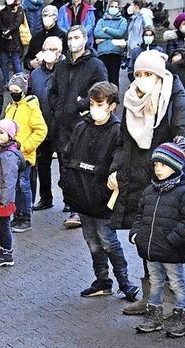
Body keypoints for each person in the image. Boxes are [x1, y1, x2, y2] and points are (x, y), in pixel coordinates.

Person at [109, 50, 185, 316]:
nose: (142, 79)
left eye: (148, 74)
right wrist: (115, 169)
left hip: (165, 179)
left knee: (166, 240)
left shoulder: (174, 96)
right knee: (146, 237)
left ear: (160, 74)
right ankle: (149, 296)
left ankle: (169, 298)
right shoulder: (131, 97)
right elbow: (123, 141)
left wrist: (169, 161)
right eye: (138, 74)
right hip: (137, 180)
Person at [59, 82, 140, 300]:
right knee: (92, 242)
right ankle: (102, 280)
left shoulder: (118, 131)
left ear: (112, 105)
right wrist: (68, 184)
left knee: (108, 241)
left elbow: (120, 163)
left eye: (100, 104)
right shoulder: (81, 127)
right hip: (81, 195)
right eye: (92, 103)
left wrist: (106, 190)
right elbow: (67, 156)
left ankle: (124, 282)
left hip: (101, 198)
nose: (94, 108)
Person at [130, 139, 185, 337]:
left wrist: (172, 239)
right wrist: (137, 234)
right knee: (155, 282)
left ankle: (181, 318)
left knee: (177, 284)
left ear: (175, 166)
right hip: (151, 250)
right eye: (156, 164)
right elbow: (140, 216)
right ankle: (154, 316)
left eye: (163, 164)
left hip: (171, 250)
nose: (158, 169)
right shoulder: (150, 190)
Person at [48, 25, 108, 228]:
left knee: (80, 167)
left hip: (83, 125)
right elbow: (53, 91)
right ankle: (71, 203)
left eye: (76, 37)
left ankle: (78, 210)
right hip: (62, 125)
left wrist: (81, 106)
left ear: (85, 39)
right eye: (70, 37)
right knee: (65, 168)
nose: (72, 41)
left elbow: (102, 91)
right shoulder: (62, 66)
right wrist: (57, 108)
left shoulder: (95, 65)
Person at [4, 73, 47, 232]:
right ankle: (17, 216)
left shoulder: (30, 107)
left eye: (16, 90)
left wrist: (24, 147)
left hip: (23, 156)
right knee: (15, 187)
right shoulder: (10, 106)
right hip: (10, 155)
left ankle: (25, 218)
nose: (13, 93)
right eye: (11, 90)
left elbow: (41, 130)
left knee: (23, 186)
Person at [29, 36, 63, 210]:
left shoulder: (65, 70)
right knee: (42, 166)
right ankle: (45, 198)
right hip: (41, 126)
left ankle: (69, 202)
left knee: (65, 165)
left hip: (62, 126)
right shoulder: (35, 74)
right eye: (47, 49)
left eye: (54, 49)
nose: (50, 53)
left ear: (60, 52)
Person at [0, 119, 25, 267]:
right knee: (1, 225)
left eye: (2, 133)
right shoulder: (1, 149)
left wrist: (5, 199)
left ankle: (7, 253)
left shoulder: (8, 155)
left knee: (3, 225)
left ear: (10, 135)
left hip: (2, 197)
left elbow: (9, 179)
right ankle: (2, 250)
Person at [94, 0, 127, 87]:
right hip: (102, 52)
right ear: (108, 8)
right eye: (112, 6)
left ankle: (115, 99)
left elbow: (120, 33)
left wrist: (106, 30)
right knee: (102, 79)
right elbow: (96, 33)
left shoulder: (122, 21)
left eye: (116, 7)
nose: (114, 8)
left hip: (115, 52)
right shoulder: (101, 20)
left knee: (114, 78)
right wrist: (113, 35)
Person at [23, 5, 67, 71]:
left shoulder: (63, 36)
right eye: (45, 15)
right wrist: (31, 63)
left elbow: (68, 58)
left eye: (51, 15)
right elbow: (27, 58)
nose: (47, 18)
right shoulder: (36, 37)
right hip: (38, 74)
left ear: (56, 17)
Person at [0, 0, 24, 84]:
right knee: (4, 62)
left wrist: (8, 31)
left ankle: (19, 82)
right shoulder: (2, 11)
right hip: (4, 39)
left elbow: (17, 23)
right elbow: (0, 23)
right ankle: (5, 82)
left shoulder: (19, 10)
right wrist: (4, 32)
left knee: (16, 62)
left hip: (14, 39)